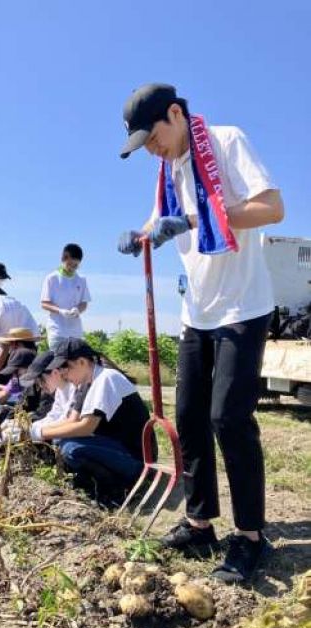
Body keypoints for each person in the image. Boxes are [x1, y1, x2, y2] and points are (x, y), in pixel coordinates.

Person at [118, 82, 284, 583]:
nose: (152, 149)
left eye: (153, 137)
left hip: (242, 307)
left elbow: (272, 208)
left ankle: (251, 536)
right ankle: (199, 522)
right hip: (198, 310)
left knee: (228, 419)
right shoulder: (169, 171)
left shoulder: (227, 142)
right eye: (143, 144)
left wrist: (195, 218)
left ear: (175, 113)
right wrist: (141, 235)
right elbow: (160, 223)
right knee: (188, 417)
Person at [30, 339, 150, 504]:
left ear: (81, 362)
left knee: (72, 448)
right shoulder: (89, 381)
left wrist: (41, 433)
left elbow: (86, 427)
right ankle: (98, 486)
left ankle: (120, 487)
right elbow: (71, 420)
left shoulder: (106, 378)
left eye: (66, 367)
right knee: (62, 441)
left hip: (135, 457)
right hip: (116, 448)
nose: (63, 374)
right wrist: (36, 430)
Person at [41, 243, 91, 350]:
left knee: (75, 363)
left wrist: (78, 309)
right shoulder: (51, 278)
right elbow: (44, 303)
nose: (73, 268)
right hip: (57, 330)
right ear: (63, 258)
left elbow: (84, 302)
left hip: (75, 331)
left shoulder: (81, 279)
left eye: (76, 266)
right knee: (58, 362)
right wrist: (60, 311)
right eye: (70, 264)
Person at [0, 296, 40, 376]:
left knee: (23, 374)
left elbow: (5, 348)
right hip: (12, 339)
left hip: (26, 334)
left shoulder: (2, 312)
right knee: (8, 378)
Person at [0, 348, 37, 421]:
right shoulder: (19, 377)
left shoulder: (33, 382)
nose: (14, 373)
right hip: (20, 406)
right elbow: (8, 392)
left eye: (16, 369)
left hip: (28, 413)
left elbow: (1, 398)